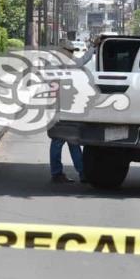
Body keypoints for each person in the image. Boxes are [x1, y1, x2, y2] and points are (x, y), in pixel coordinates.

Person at [50, 39, 85, 183]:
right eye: (70, 51)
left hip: (67, 108)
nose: (72, 54)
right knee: (59, 141)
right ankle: (58, 172)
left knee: (72, 141)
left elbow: (81, 61)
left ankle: (82, 172)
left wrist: (94, 48)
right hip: (59, 109)